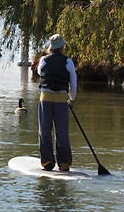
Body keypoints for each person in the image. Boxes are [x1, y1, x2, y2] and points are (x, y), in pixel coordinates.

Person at [37, 34, 77, 171]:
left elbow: (39, 73)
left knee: (45, 131)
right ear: (62, 47)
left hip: (45, 99)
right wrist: (71, 99)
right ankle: (64, 163)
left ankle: (47, 162)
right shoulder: (68, 62)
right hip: (61, 100)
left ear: (51, 47)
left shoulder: (43, 60)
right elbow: (73, 84)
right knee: (62, 132)